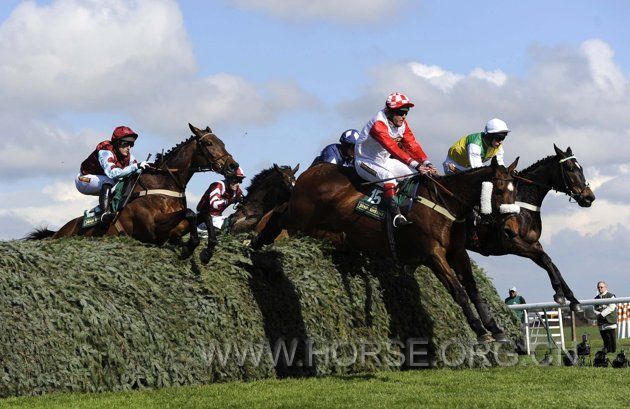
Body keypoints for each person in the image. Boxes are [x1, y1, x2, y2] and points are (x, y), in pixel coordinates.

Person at [354, 92, 437, 227]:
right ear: (390, 111)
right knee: (389, 178)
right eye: (400, 112)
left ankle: (407, 206)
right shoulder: (378, 123)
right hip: (365, 161)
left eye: (406, 112)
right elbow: (392, 148)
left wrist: (427, 163)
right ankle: (396, 215)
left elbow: (412, 145)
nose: (403, 116)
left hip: (384, 161)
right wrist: (416, 164)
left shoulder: (402, 124)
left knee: (413, 175)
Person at [77, 126, 150, 223]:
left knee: (124, 181)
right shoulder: (105, 151)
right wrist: (136, 166)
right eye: (125, 143)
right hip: (83, 180)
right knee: (111, 180)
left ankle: (95, 212)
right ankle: (104, 213)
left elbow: (135, 170)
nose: (128, 147)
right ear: (117, 143)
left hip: (99, 181)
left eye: (131, 144)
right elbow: (112, 173)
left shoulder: (129, 157)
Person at [196, 167, 246, 260]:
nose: (238, 183)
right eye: (236, 180)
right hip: (202, 219)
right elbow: (214, 204)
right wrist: (232, 200)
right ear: (228, 177)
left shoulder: (237, 189)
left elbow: (244, 200)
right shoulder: (218, 185)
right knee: (227, 221)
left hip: (215, 219)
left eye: (240, 180)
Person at [443, 118, 509, 174]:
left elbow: (500, 165)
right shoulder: (474, 144)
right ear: (489, 136)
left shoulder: (498, 147)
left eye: (503, 138)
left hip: (469, 168)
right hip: (454, 166)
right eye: (499, 138)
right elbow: (478, 169)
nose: (500, 142)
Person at [594, 281, 617, 354]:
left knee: (612, 339)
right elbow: (594, 309)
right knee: (605, 338)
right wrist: (598, 314)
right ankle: (606, 351)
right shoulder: (596, 298)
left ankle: (613, 352)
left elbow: (611, 307)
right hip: (601, 322)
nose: (600, 289)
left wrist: (601, 314)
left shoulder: (611, 296)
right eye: (598, 287)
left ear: (605, 287)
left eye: (601, 287)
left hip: (610, 320)